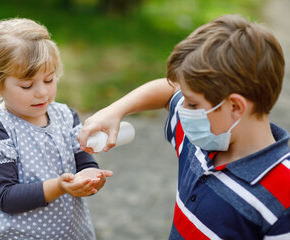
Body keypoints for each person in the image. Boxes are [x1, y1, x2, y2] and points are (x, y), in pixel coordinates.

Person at [78, 14, 290, 239]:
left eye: (193, 103)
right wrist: (115, 111)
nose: (182, 108)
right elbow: (169, 91)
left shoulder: (283, 194)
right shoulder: (199, 140)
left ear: (236, 106)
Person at [0, 18, 113, 240]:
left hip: (70, 233)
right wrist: (60, 186)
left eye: (49, 79)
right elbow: (6, 197)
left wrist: (90, 175)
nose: (42, 93)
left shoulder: (65, 116)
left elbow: (82, 160)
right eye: (27, 85)